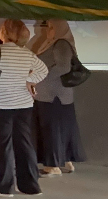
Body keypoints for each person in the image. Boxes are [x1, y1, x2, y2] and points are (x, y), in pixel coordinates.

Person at [0, 19, 48, 197]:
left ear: (5, 33)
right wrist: (29, 81)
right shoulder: (26, 53)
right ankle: (30, 186)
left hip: (0, 105)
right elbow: (43, 70)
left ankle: (4, 187)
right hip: (24, 105)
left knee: (4, 146)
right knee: (24, 144)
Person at [31, 19, 85, 176]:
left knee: (51, 130)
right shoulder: (54, 43)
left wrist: (39, 77)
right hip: (57, 95)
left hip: (53, 95)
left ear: (60, 28)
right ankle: (65, 160)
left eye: (52, 27)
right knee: (62, 130)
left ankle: (52, 166)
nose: (49, 31)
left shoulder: (61, 44)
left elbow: (63, 67)